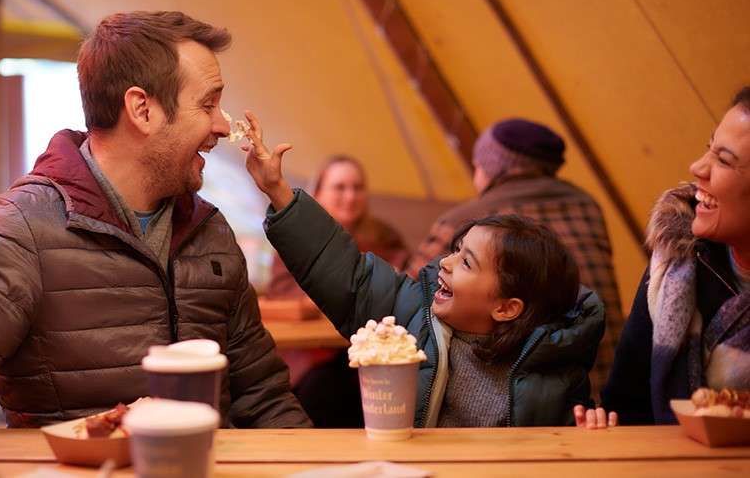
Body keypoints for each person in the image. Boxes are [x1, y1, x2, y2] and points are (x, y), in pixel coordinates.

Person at [0, 10, 310, 477]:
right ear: (142, 109)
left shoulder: (210, 232)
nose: (223, 126)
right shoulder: (20, 230)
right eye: (208, 105)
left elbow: (263, 396)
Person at [239, 111, 605, 427]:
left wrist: (589, 429)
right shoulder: (413, 317)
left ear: (507, 307)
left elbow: (568, 435)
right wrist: (279, 192)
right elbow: (347, 274)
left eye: (465, 262)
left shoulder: (554, 366)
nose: (443, 262)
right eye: (455, 250)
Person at [407, 118, 622, 400]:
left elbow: (409, 291)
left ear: (490, 169)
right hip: (610, 387)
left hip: (516, 398)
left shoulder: (472, 221)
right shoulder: (588, 206)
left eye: (477, 165)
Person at [578, 87, 750, 428]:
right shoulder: (678, 262)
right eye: (708, 149)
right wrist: (602, 427)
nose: (698, 168)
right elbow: (625, 405)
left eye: (724, 160)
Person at [262, 155, 408, 427]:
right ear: (318, 192)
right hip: (311, 357)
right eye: (340, 187)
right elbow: (283, 297)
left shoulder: (386, 238)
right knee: (319, 389)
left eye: (357, 187)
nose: (350, 196)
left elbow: (400, 288)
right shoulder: (295, 239)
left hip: (371, 359)